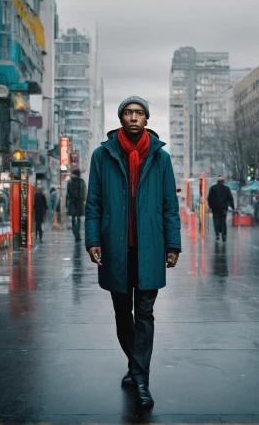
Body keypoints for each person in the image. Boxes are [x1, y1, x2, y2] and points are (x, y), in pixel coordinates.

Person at [85, 96, 181, 409]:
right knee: (121, 312)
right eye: (128, 113)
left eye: (139, 113)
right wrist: (92, 240)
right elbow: (94, 203)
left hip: (150, 246)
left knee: (145, 313)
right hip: (115, 246)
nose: (134, 118)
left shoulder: (161, 157)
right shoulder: (103, 155)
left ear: (147, 119)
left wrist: (173, 243)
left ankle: (141, 379)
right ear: (121, 118)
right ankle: (135, 363)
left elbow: (169, 204)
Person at [207, 176, 235, 242]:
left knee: (216, 221)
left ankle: (217, 234)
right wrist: (232, 207)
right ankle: (224, 233)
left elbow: (209, 198)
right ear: (223, 181)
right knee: (223, 221)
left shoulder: (212, 188)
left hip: (215, 209)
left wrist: (211, 206)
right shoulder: (226, 189)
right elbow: (230, 199)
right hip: (224, 209)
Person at [66, 169, 87, 242]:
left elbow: (67, 194)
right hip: (79, 202)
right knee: (78, 217)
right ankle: (77, 233)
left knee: (73, 217)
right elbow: (84, 193)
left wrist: (67, 203)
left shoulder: (69, 182)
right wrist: (83, 200)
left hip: (72, 202)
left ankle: (74, 231)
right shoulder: (82, 181)